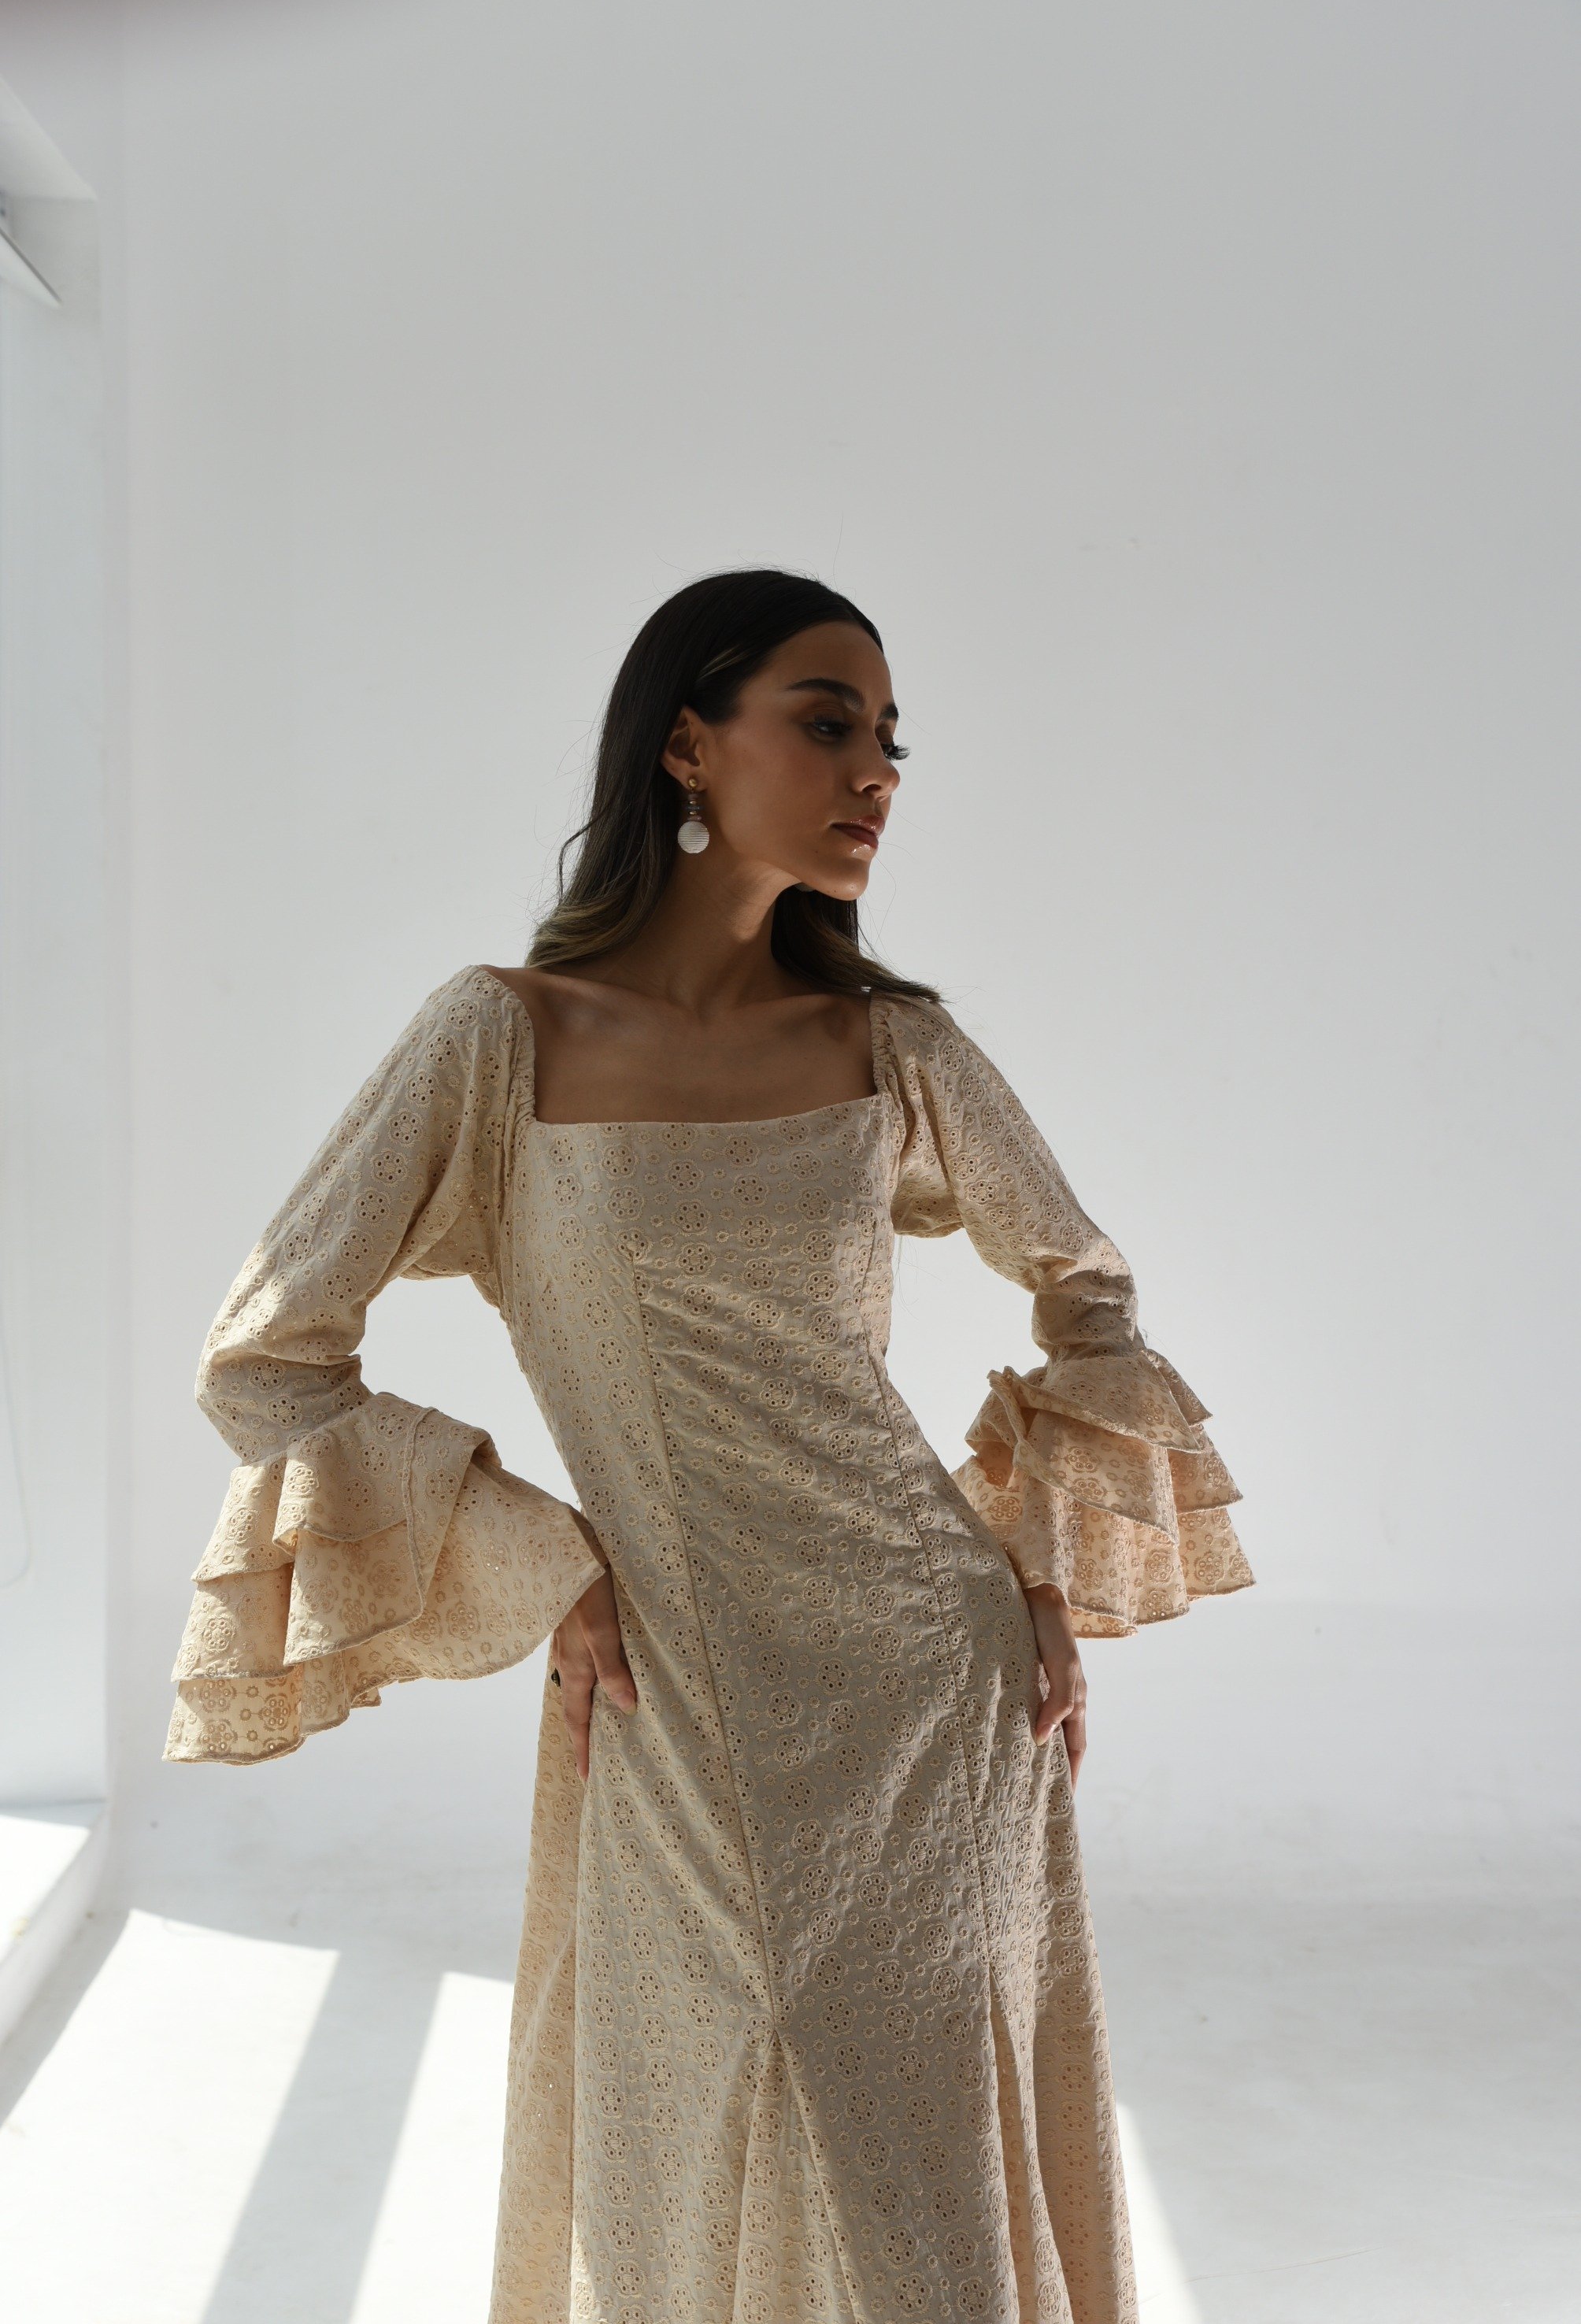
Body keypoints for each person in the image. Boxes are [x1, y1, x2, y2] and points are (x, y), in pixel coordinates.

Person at [165, 569, 1252, 2324]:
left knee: (924, 2187)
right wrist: (539, 1558)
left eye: (889, 740)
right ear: (687, 743)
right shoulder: (497, 1039)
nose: (874, 772)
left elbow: (1089, 1293)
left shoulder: (887, 1043)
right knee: (723, 2113)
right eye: (826, 723)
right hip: (676, 1682)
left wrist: (1034, 1564)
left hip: (936, 1686)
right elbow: (267, 1355)